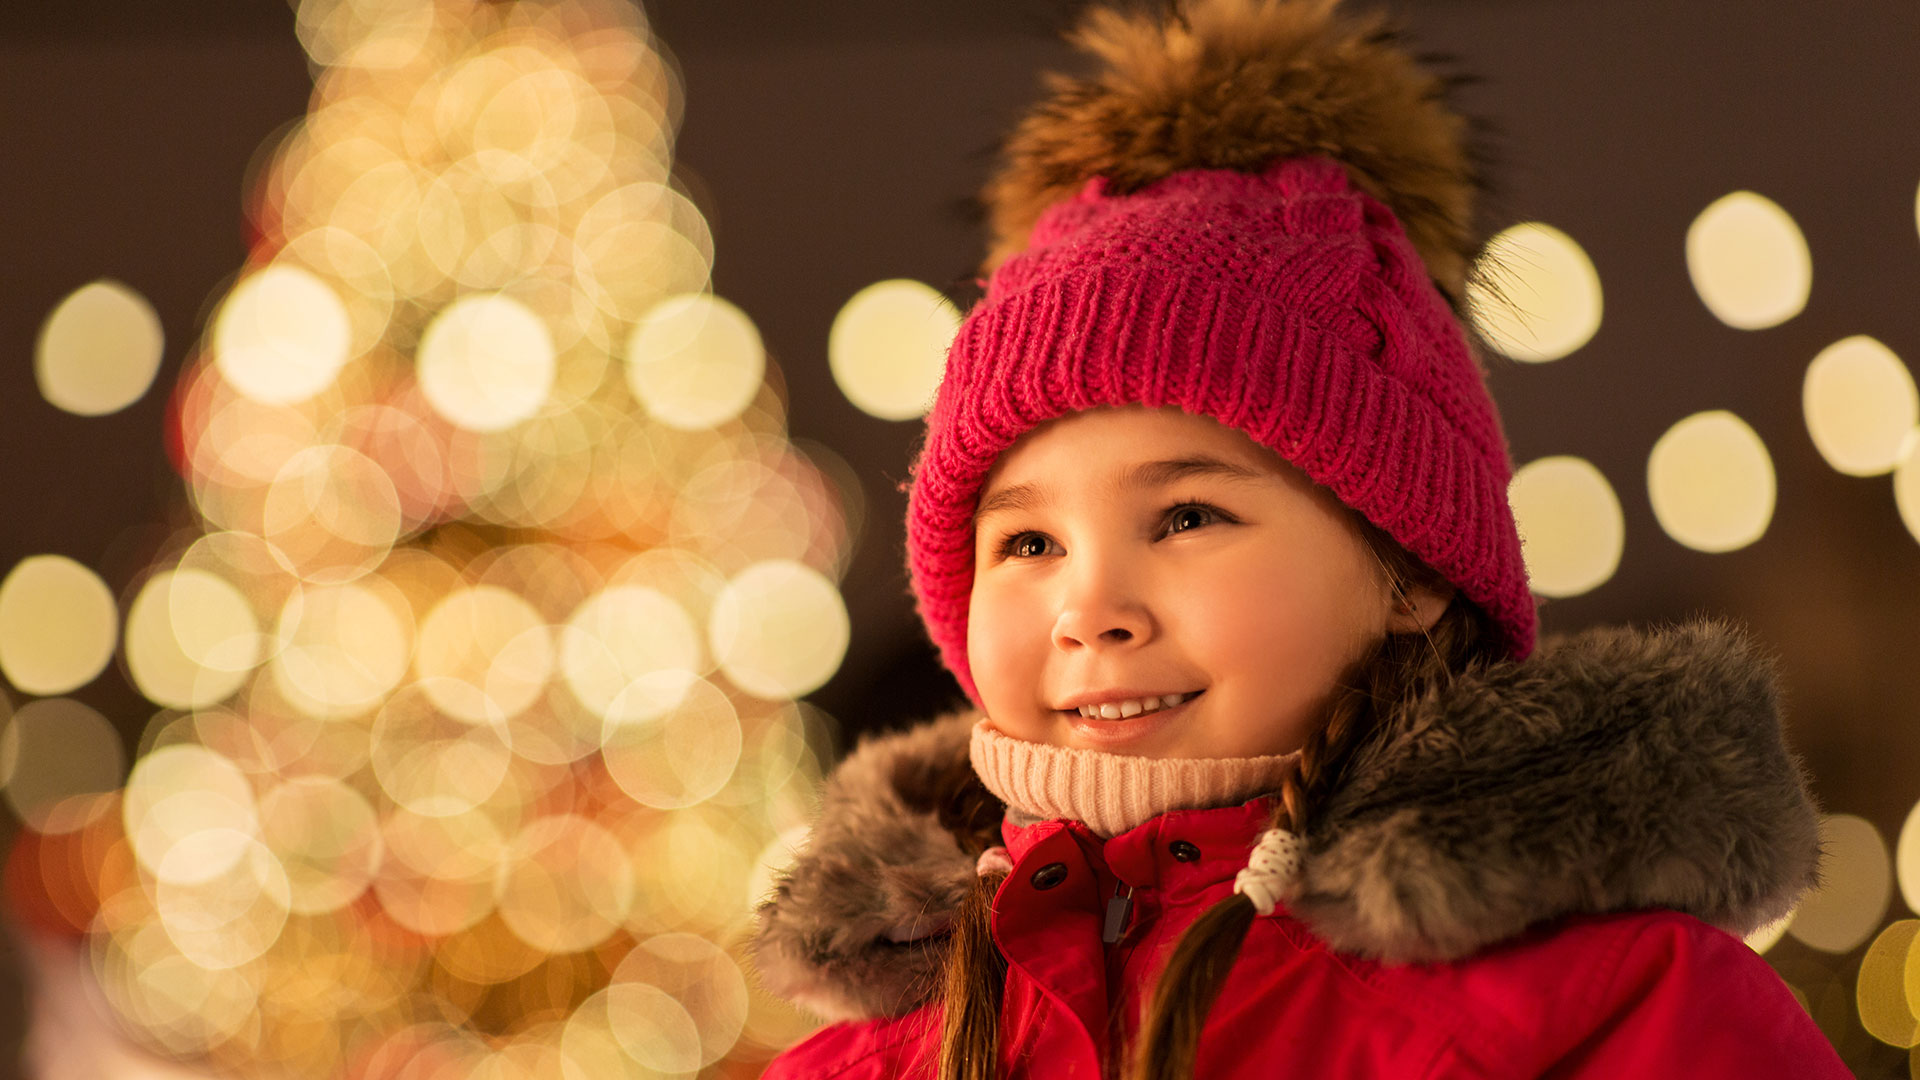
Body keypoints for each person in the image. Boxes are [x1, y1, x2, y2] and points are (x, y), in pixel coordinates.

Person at [749, 0, 1852, 1076]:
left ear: (1410, 566)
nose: (1091, 612)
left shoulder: (1614, 1008)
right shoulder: (860, 1065)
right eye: (1029, 544)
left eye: (1187, 518)